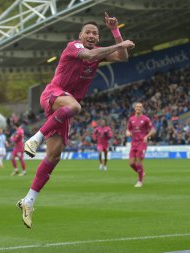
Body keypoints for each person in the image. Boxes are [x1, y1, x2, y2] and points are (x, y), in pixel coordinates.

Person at [17, 12, 135, 228]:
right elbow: (90, 57)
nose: (91, 35)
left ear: (98, 38)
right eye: (88, 32)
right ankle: (35, 138)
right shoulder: (74, 47)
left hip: (65, 107)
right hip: (54, 94)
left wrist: (116, 33)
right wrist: (120, 44)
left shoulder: (98, 52)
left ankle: (28, 200)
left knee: (54, 155)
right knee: (75, 106)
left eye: (95, 33)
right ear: (80, 36)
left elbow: (123, 57)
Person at [126, 102, 156, 187]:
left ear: (142, 109)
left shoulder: (146, 119)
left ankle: (140, 181)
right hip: (133, 143)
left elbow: (153, 130)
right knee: (131, 163)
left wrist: (147, 136)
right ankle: (142, 172)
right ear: (134, 108)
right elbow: (127, 130)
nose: (138, 108)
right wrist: (128, 132)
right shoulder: (131, 119)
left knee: (139, 162)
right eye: (137, 107)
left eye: (140, 107)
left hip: (142, 143)